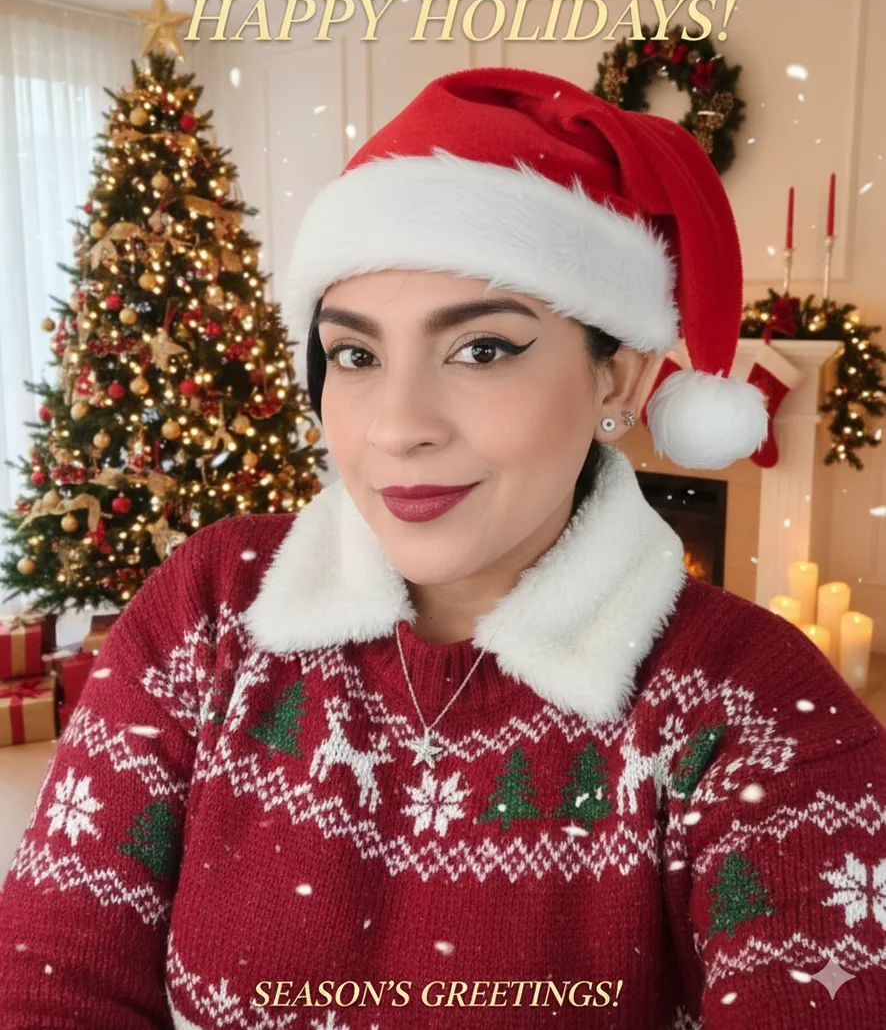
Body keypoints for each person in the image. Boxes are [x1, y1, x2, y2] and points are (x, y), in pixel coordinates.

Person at [0, 65, 884, 1030]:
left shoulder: (758, 708)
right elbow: (51, 973)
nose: (399, 426)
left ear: (620, 378)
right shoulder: (214, 604)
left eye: (483, 349)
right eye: (356, 354)